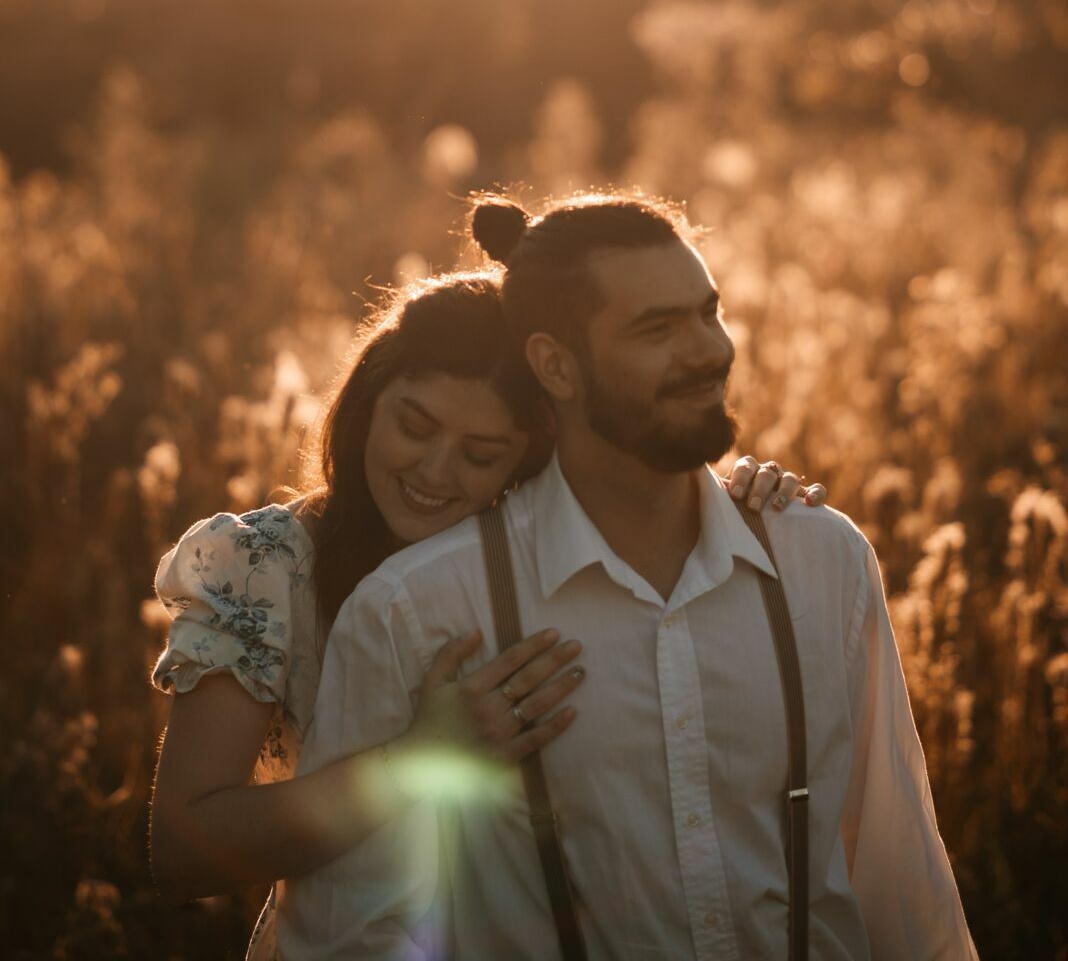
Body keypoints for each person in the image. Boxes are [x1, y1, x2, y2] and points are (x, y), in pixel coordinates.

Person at [277, 192, 978, 961]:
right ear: (555, 366)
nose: (709, 351)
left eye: (707, 314)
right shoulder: (418, 608)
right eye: (657, 330)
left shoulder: (822, 561)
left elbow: (902, 879)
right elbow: (353, 934)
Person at [149, 270, 819, 960]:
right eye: (415, 425)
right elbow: (184, 850)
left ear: (529, 459)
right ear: (365, 403)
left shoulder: (551, 556)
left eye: (481, 454)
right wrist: (417, 761)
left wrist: (721, 501)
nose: (435, 470)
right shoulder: (263, 566)